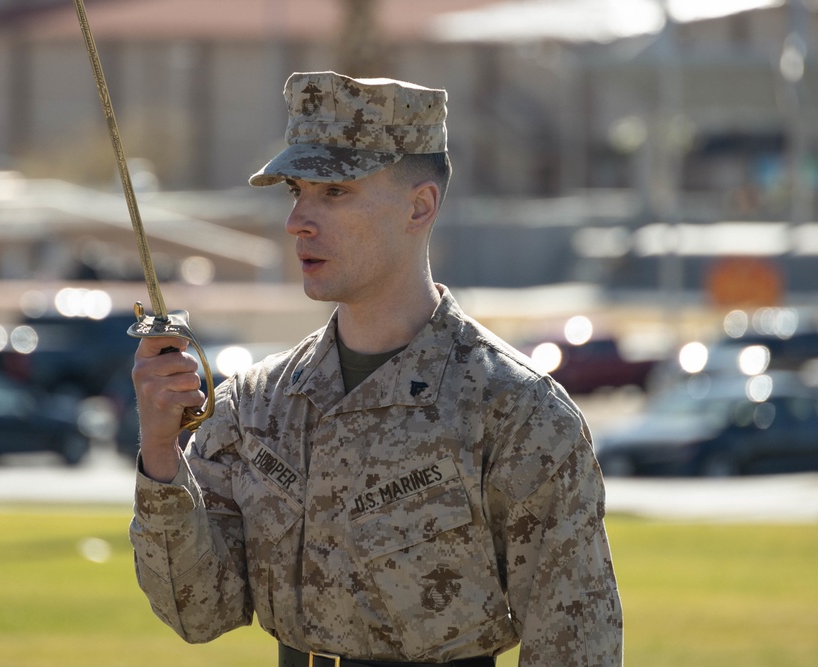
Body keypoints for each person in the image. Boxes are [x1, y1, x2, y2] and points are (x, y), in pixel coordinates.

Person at [129, 71, 623, 667]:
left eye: (334, 193)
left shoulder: (516, 413)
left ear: (420, 206)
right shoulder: (257, 404)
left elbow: (575, 650)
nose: (298, 221)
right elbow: (198, 610)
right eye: (296, 192)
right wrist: (161, 449)